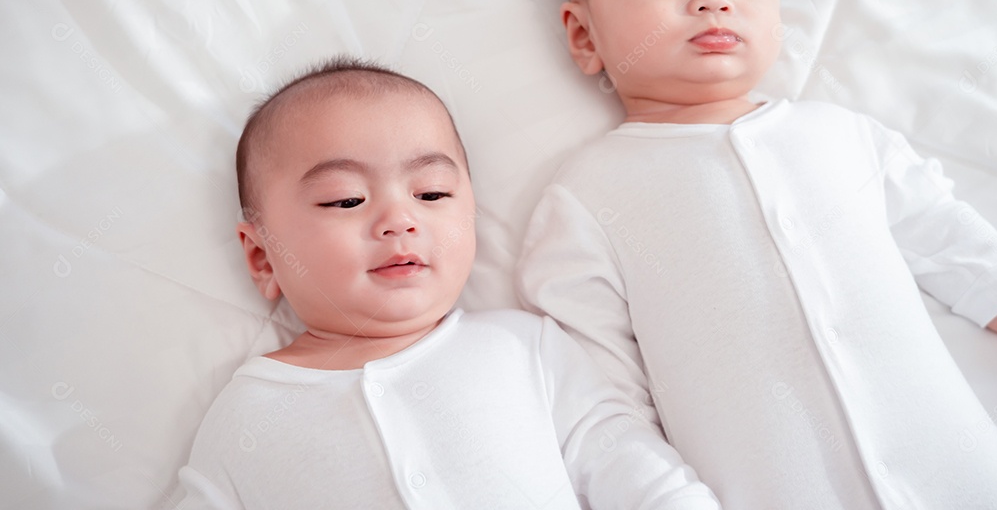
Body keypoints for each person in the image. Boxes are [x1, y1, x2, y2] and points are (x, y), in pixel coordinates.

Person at [517, 0, 997, 510]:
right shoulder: (589, 195)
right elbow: (595, 393)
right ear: (584, 35)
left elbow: (947, 238)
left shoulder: (840, 136)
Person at [168, 57, 721, 510]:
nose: (399, 220)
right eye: (346, 200)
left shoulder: (525, 348)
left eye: (430, 193)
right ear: (263, 256)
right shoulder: (247, 417)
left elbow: (636, 471)